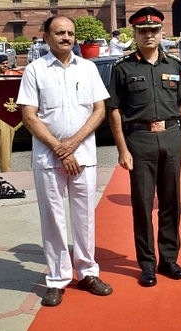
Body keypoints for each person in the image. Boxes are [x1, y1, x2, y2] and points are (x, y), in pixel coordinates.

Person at [16, 16, 113, 307]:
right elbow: (28, 115)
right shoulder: (35, 70)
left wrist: (72, 143)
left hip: (83, 155)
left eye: (70, 33)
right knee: (53, 219)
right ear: (46, 36)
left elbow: (99, 110)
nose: (66, 37)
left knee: (84, 217)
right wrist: (60, 148)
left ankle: (87, 271)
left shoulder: (88, 68)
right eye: (59, 33)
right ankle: (57, 278)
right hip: (48, 157)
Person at [107, 7, 181, 287]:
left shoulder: (174, 66)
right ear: (134, 34)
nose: (149, 35)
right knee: (143, 205)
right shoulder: (123, 68)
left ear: (161, 32)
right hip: (139, 141)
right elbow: (115, 111)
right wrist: (122, 149)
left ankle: (168, 259)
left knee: (170, 203)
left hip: (170, 137)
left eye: (153, 30)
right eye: (143, 31)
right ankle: (146, 263)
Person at [0, 54, 16, 172]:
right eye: (2, 64)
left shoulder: (7, 79)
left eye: (6, 63)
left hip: (5, 118)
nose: (6, 66)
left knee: (5, 152)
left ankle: (6, 176)